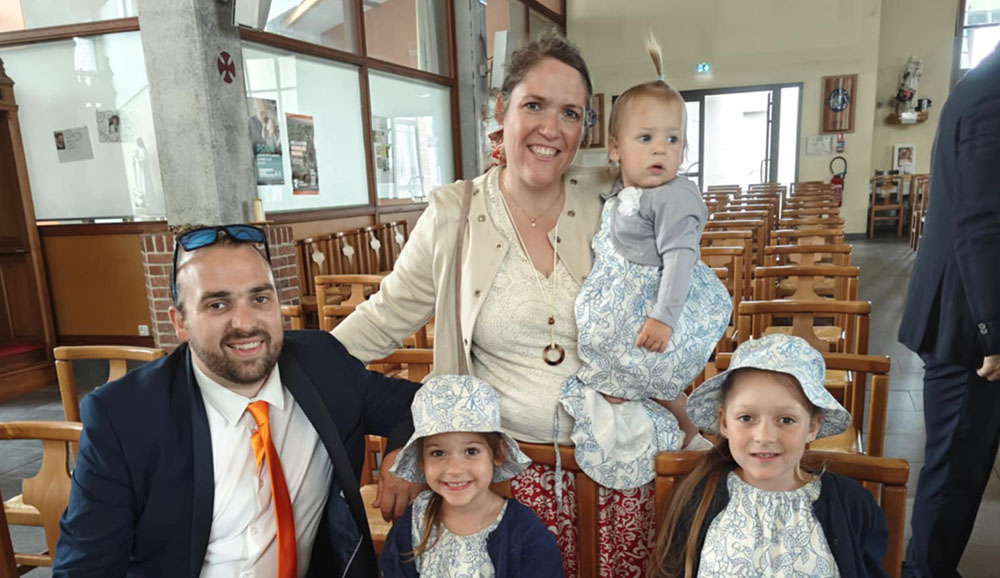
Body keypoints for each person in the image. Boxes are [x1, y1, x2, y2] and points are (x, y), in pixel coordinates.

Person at [333, 33, 651, 578]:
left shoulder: (612, 202)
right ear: (501, 109)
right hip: (503, 475)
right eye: (534, 105)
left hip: (616, 468)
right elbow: (385, 317)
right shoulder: (455, 214)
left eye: (570, 113)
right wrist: (296, 363)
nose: (551, 128)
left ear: (586, 129)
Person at [53, 225, 422, 578]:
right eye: (217, 305)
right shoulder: (124, 417)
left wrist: (404, 456)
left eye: (260, 298)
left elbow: (414, 402)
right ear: (179, 322)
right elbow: (85, 568)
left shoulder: (323, 365)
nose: (245, 323)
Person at [556, 35, 730, 491]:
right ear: (615, 150)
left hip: (654, 304)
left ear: (685, 150)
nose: (660, 149)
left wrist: (662, 317)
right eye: (646, 138)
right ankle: (686, 424)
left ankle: (689, 430)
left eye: (672, 139)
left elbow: (679, 261)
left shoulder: (672, 199)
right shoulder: (630, 193)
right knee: (640, 376)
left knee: (641, 372)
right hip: (627, 294)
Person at [650, 334, 888, 578]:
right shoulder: (699, 496)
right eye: (746, 418)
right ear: (724, 422)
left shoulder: (852, 505)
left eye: (786, 420)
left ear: (812, 427)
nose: (764, 436)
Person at [897, 40, 1000, 578]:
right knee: (956, 466)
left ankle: (932, 565)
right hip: (968, 324)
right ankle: (927, 570)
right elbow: (982, 221)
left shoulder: (982, 83)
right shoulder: (992, 94)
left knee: (965, 461)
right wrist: (994, 329)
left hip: (967, 315)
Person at [380, 374, 562, 577]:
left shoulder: (526, 533)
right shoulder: (413, 524)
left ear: (498, 454)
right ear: (422, 460)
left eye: (471, 451)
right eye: (437, 453)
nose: (454, 469)